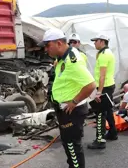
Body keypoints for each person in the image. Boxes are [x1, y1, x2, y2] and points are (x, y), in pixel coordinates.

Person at [37, 28, 96, 168]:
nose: (46, 50)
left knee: (72, 146)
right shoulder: (63, 57)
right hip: (64, 109)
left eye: (47, 45)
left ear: (58, 43)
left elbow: (90, 84)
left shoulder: (72, 61)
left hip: (71, 111)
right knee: (68, 144)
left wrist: (74, 102)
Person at [87, 34, 118, 150]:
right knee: (108, 110)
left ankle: (100, 141)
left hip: (104, 87)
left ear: (102, 41)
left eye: (95, 41)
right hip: (108, 85)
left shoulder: (104, 55)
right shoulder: (105, 53)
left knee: (100, 113)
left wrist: (99, 92)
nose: (94, 43)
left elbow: (102, 75)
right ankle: (113, 133)